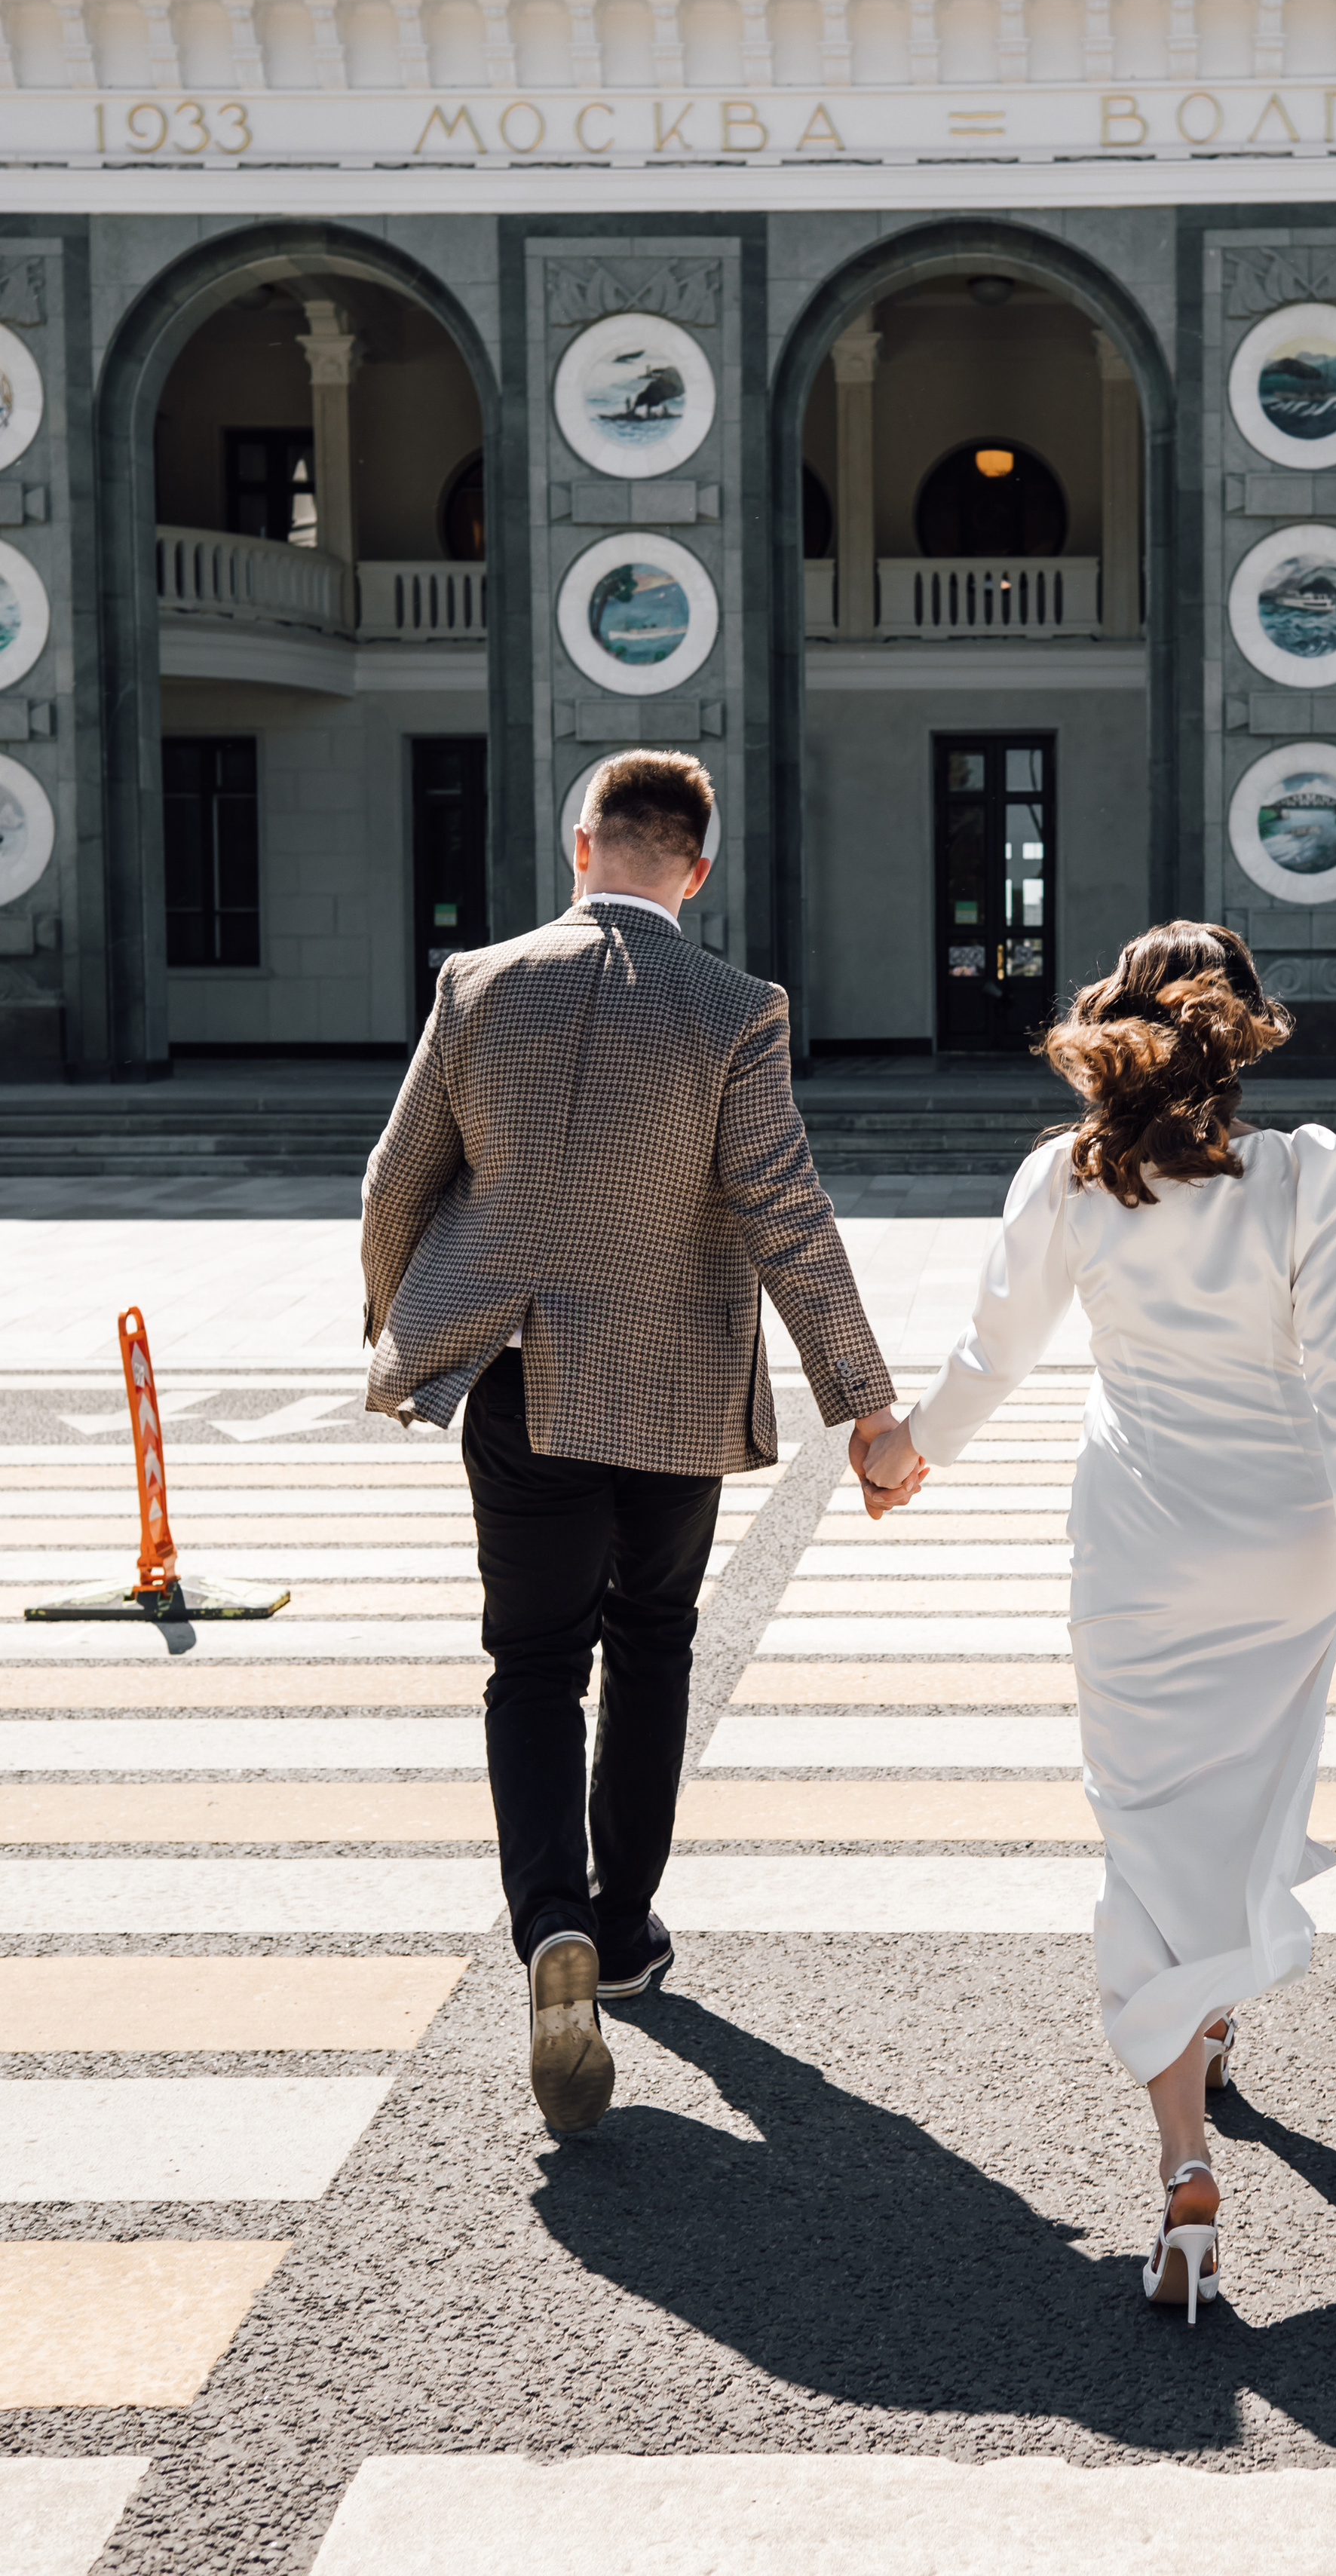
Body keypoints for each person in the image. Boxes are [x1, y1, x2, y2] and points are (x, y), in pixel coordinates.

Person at [860, 920, 1336, 2324]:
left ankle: (1185, 2164)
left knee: (1145, 1823)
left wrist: (905, 1452)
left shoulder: (1071, 1174)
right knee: (1243, 1801)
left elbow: (993, 1353)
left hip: (1140, 1541)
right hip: (1284, 1542)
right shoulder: (1306, 1170)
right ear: (1247, 1030)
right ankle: (1217, 2000)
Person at [360, 749, 918, 2137]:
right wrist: (866, 1403)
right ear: (698, 869)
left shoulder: (478, 984)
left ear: (582, 847)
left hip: (526, 1376)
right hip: (674, 1388)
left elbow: (397, 1180)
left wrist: (408, 1325)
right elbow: (785, 1207)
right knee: (654, 1640)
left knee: (533, 1662)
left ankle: (546, 1917)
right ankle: (620, 1930)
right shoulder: (735, 1006)